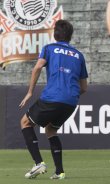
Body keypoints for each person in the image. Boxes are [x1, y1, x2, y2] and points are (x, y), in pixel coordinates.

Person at [19, 19, 88, 179]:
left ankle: (38, 163)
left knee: (25, 122)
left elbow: (37, 68)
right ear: (70, 36)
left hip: (53, 96)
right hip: (71, 102)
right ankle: (59, 172)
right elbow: (84, 88)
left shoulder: (49, 48)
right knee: (51, 130)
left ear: (55, 34)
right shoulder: (79, 55)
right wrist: (69, 95)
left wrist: (30, 92)